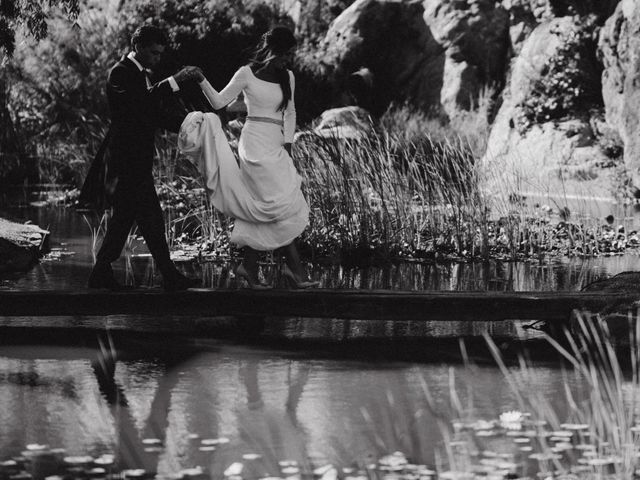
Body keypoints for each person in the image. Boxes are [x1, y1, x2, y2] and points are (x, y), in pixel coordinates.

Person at [180, 26, 318, 289]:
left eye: (291, 54)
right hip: (253, 143)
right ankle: (295, 272)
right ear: (273, 51)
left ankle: (250, 267)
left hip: (276, 143)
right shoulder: (246, 73)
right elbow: (220, 102)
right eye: (286, 53)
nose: (290, 60)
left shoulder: (287, 76)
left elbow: (290, 113)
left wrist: (288, 145)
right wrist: (200, 78)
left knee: (272, 204)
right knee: (273, 203)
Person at [88, 24, 201, 292]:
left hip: (137, 160)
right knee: (151, 217)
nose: (157, 58)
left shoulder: (143, 75)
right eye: (153, 52)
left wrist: (188, 123)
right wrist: (175, 80)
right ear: (138, 47)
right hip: (125, 161)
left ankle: (100, 272)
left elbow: (153, 113)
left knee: (125, 218)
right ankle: (169, 276)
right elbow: (139, 105)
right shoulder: (120, 73)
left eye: (160, 54)